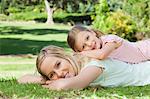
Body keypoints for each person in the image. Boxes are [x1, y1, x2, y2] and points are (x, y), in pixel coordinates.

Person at [18, 45, 150, 90]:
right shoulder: (80, 68)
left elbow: (66, 86)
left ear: (66, 56)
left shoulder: (94, 65)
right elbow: (22, 79)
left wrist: (52, 81)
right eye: (52, 74)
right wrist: (45, 79)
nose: (59, 73)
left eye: (58, 65)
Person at [67, 25, 150, 64]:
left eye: (87, 38)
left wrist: (82, 52)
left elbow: (102, 55)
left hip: (144, 49)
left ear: (92, 33)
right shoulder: (94, 54)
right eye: (83, 46)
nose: (89, 44)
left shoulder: (109, 40)